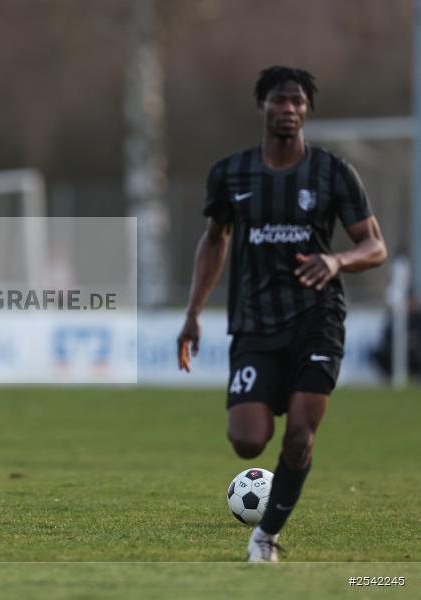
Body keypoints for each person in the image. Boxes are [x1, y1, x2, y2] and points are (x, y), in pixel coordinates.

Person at [176, 66, 387, 562]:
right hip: (255, 322)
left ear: (306, 110)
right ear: (262, 107)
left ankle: (265, 537)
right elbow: (214, 240)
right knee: (247, 441)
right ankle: (265, 503)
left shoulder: (333, 173)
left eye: (297, 102)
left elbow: (374, 245)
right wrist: (192, 312)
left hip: (319, 318)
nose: (289, 109)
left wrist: (336, 259)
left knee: (299, 434)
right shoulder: (231, 173)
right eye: (280, 100)